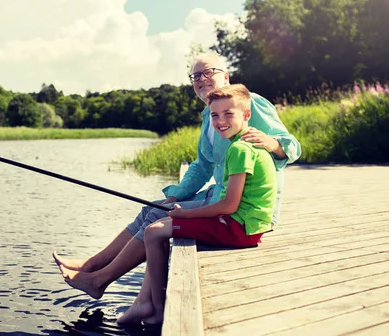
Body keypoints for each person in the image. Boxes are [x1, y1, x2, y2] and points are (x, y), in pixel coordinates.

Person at [53, 52, 301, 300]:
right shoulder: (210, 116)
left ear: (225, 76)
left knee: (157, 217)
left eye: (208, 72)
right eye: (195, 76)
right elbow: (203, 166)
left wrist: (271, 142)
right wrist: (174, 195)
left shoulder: (249, 103)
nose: (201, 79)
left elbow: (293, 147)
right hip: (222, 194)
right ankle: (92, 265)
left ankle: (99, 280)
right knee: (153, 209)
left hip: (246, 208)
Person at [117, 83, 277, 325]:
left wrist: (186, 215)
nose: (220, 120)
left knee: (154, 232)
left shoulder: (240, 150)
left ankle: (156, 307)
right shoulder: (247, 144)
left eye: (228, 114)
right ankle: (149, 302)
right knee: (159, 223)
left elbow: (229, 205)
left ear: (246, 115)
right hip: (247, 226)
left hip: (238, 228)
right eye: (214, 115)